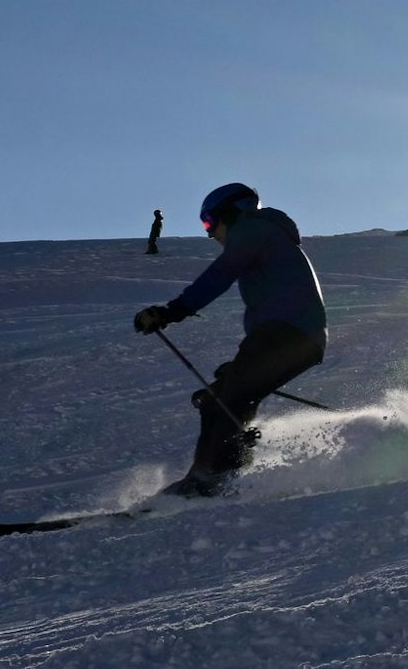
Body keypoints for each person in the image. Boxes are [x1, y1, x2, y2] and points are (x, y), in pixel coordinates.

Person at [133, 183, 327, 496]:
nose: (209, 233)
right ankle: (227, 474)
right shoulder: (266, 234)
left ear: (230, 211)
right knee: (221, 397)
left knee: (226, 400)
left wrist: (172, 311)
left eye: (209, 221)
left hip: (287, 333)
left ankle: (208, 480)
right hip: (293, 336)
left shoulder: (251, 228)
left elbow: (221, 274)